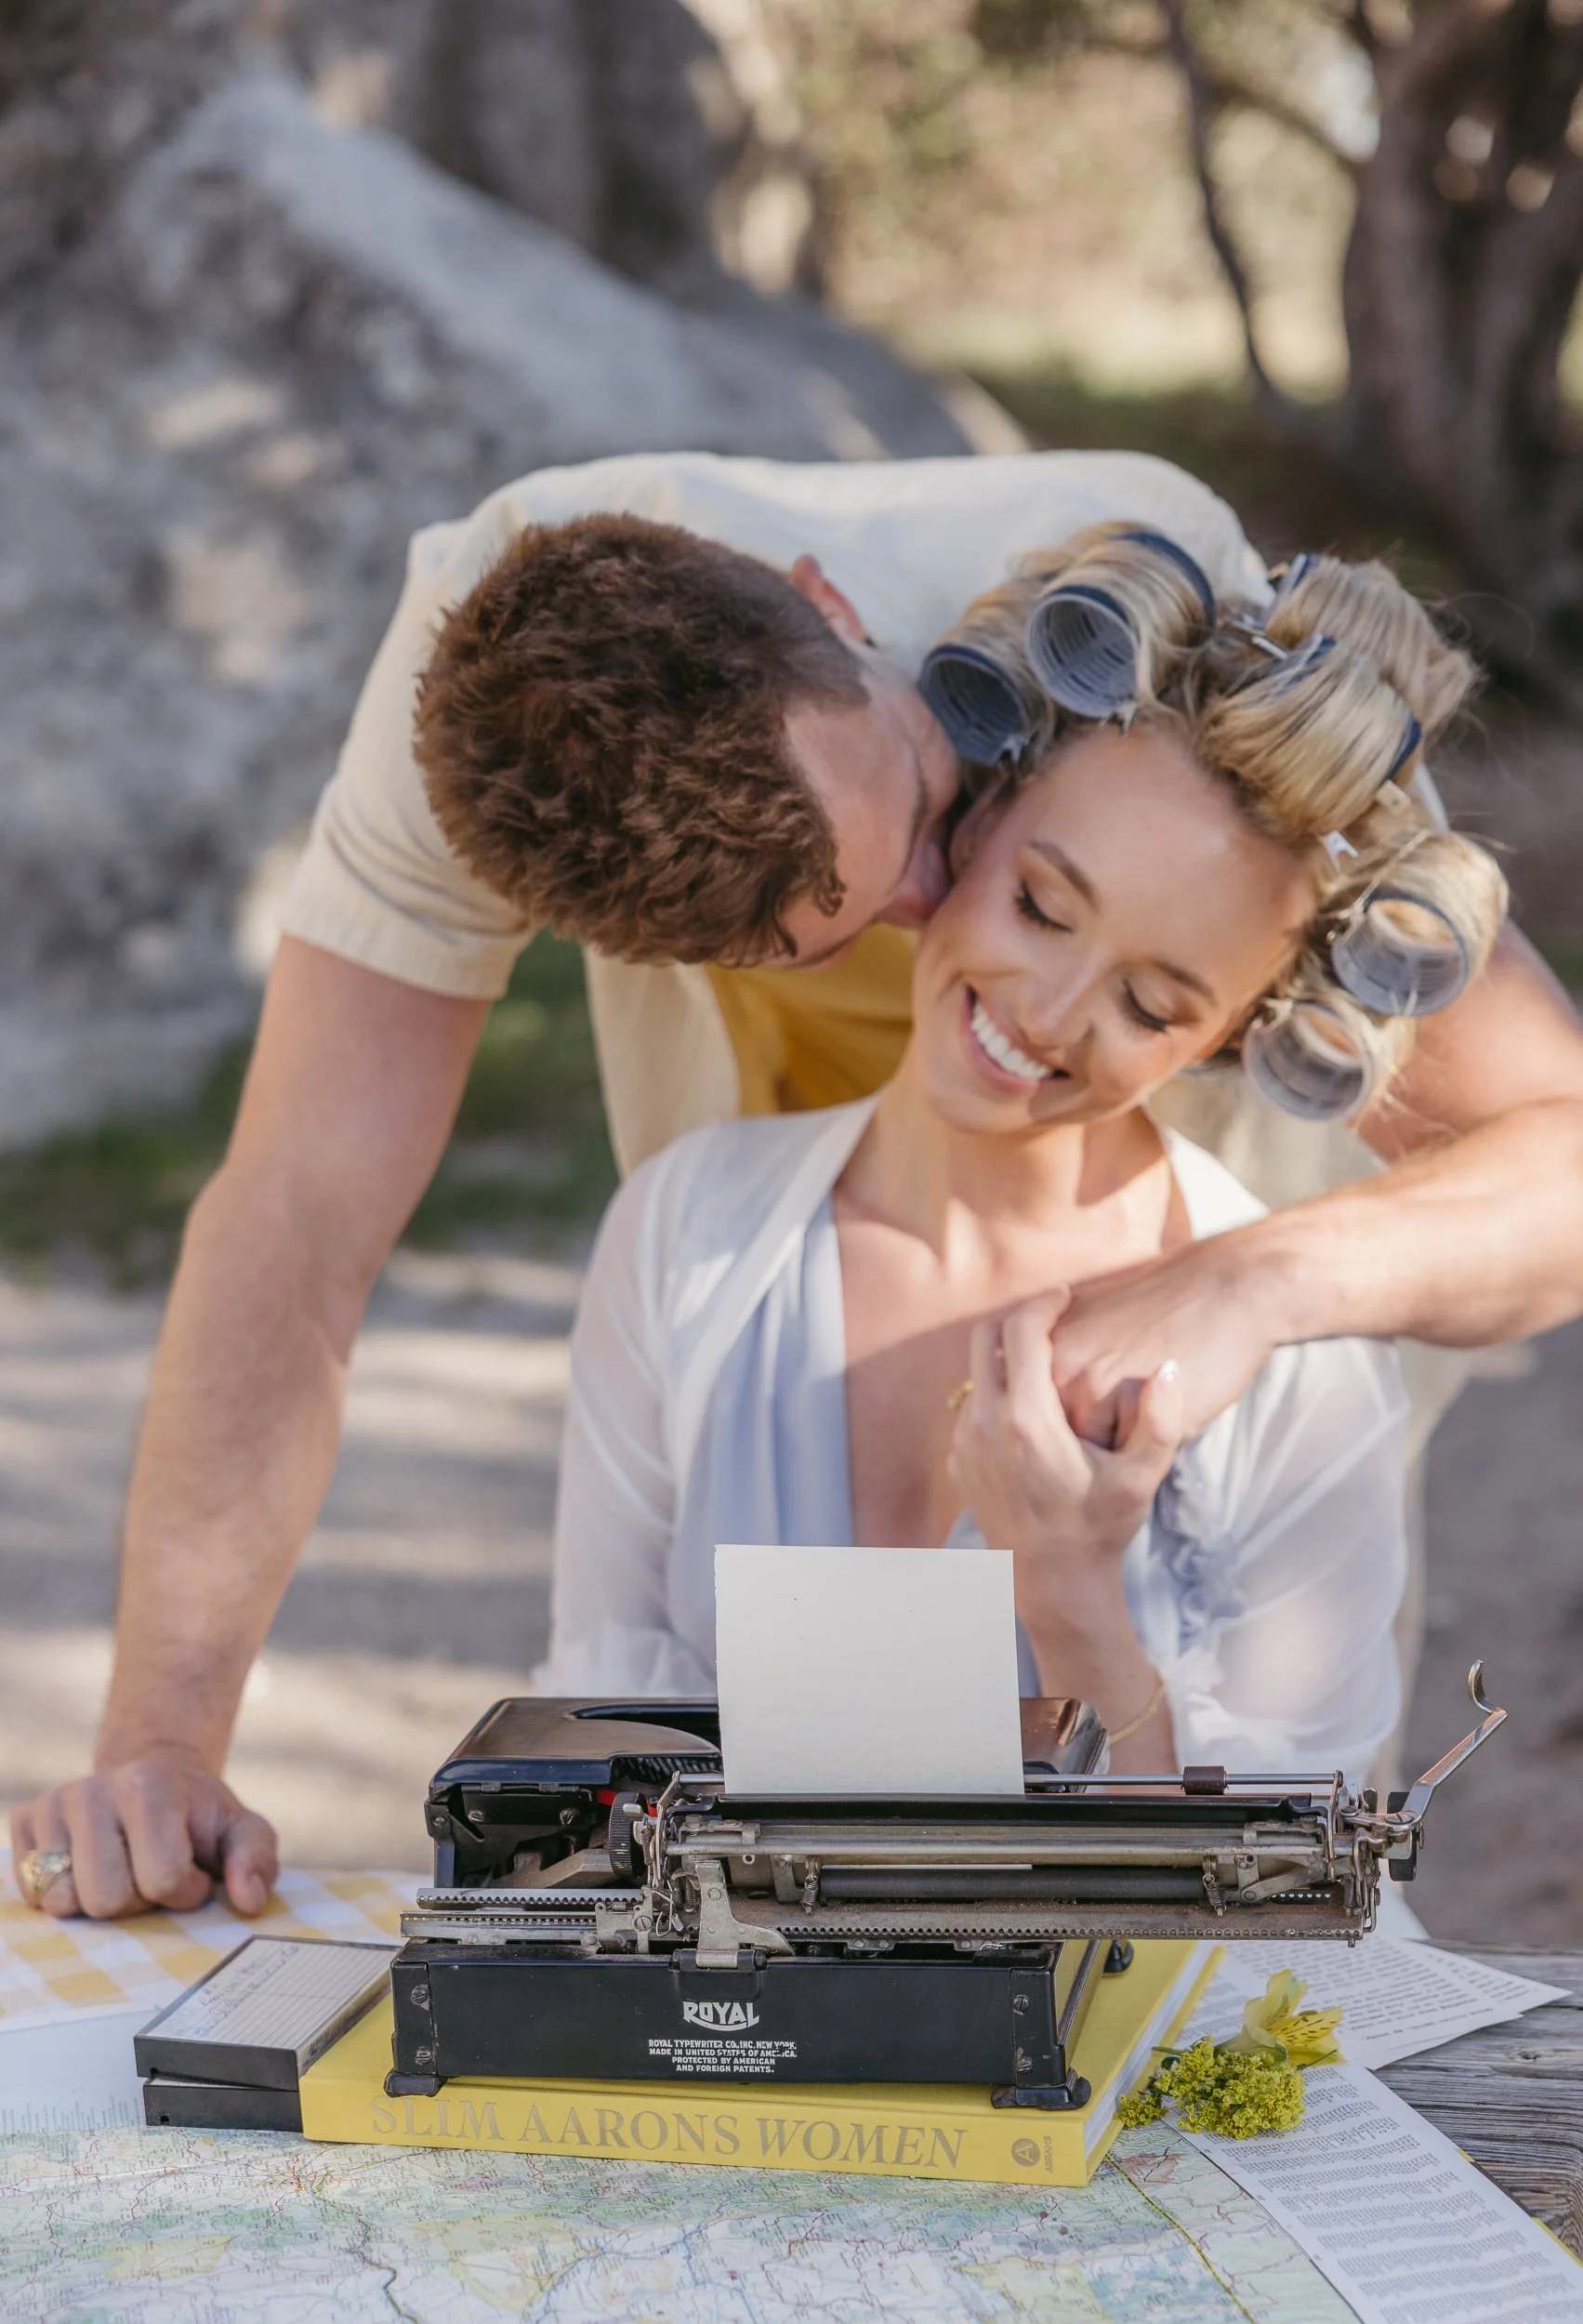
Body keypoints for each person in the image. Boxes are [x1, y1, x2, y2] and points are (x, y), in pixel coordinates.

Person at [10, 452, 1582, 1918]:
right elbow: (295, 1217)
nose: (931, 893)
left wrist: (1244, 1287)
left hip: (1210, 1366)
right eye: (829, 934)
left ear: (826, 608)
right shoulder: (497, 803)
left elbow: (1556, 1156)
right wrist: (162, 1742)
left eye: (927, 803)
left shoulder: (1145, 654)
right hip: (770, 1286)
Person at [537, 530, 1508, 1776]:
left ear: (1229, 1034)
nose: (1046, 1014)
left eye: (1150, 1005)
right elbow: (595, 1749)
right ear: (980, 813)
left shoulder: (1301, 1379)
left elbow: (1278, 1871)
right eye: (1040, 906)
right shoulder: (686, 1229)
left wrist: (1068, 1589)